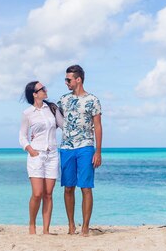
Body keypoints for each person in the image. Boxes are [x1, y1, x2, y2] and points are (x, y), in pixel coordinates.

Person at [57, 64, 102, 236]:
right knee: (68, 188)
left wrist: (98, 151)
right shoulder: (63, 100)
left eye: (68, 79)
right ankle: (71, 225)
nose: (66, 82)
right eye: (65, 79)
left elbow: (98, 126)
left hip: (86, 147)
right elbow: (53, 119)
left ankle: (85, 227)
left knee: (86, 188)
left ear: (78, 79)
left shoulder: (93, 100)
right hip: (66, 148)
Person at [19, 81, 63, 235]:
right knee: (37, 193)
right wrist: (30, 149)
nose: (45, 90)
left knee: (48, 194)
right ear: (34, 94)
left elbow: (63, 125)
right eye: (42, 89)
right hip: (36, 155)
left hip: (52, 155)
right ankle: (32, 225)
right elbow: (22, 136)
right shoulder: (28, 113)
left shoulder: (52, 108)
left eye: (45, 88)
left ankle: (46, 230)